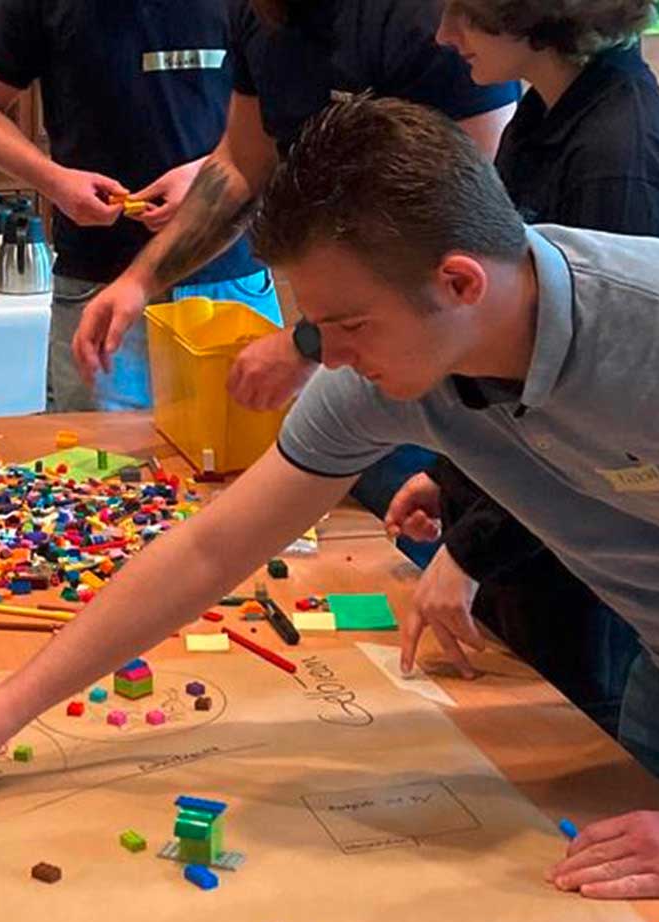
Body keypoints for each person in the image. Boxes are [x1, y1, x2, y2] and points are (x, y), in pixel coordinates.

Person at [0, 98, 659, 901]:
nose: (330, 357)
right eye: (313, 328)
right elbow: (211, 549)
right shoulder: (392, 362)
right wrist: (9, 707)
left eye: (346, 326)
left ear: (461, 283)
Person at [382, 0, 659, 734]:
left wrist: (470, 553)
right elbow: (511, 356)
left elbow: (596, 420)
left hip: (592, 564)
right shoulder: (543, 117)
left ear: (532, 12)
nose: (444, 36)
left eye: (465, 15)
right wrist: (456, 480)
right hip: (540, 534)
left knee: (573, 771)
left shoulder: (618, 161)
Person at [68, 0, 520, 529]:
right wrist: (139, 281)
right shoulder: (257, 16)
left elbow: (460, 225)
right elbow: (240, 166)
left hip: (445, 389)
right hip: (357, 369)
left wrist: (309, 341)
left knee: (429, 560)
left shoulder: (421, 21)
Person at [0, 0, 282, 413]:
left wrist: (207, 174)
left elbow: (279, 122)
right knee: (94, 466)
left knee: (241, 464)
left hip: (228, 280)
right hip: (97, 283)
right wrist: (54, 181)